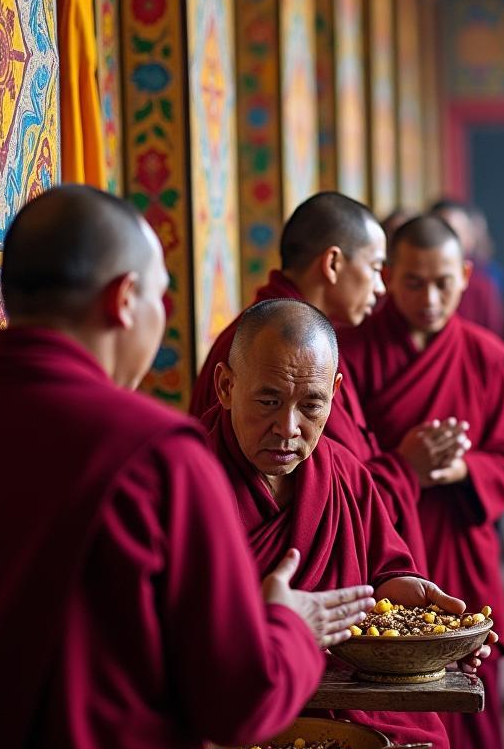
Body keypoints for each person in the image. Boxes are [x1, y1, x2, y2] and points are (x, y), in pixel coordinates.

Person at [0, 186, 374, 749]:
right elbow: (239, 698)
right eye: (161, 299)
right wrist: (289, 625)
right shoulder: (157, 455)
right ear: (123, 299)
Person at [203, 298, 486, 749]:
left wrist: (408, 595)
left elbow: (383, 570)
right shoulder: (184, 479)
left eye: (311, 404)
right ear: (226, 385)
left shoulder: (342, 471)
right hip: (235, 722)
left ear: (335, 389)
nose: (288, 428)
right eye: (267, 400)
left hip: (356, 712)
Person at [340, 216, 504, 749]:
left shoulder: (485, 355)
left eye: (444, 283)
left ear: (466, 278)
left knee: (472, 685)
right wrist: (407, 462)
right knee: (405, 700)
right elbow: (346, 462)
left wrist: (463, 468)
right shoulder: (352, 351)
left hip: (462, 545)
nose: (429, 298)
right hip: (393, 550)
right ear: (388, 278)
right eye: (413, 282)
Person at [189, 192, 467, 569]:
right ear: (333, 263)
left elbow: (335, 486)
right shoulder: (264, 353)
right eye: (374, 267)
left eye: (311, 405)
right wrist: (406, 467)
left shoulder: (318, 349)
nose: (381, 288)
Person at [430, 199, 504, 336]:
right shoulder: (412, 283)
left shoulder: (482, 287)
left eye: (456, 233)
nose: (447, 242)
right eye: (441, 232)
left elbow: (493, 337)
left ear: (469, 239)